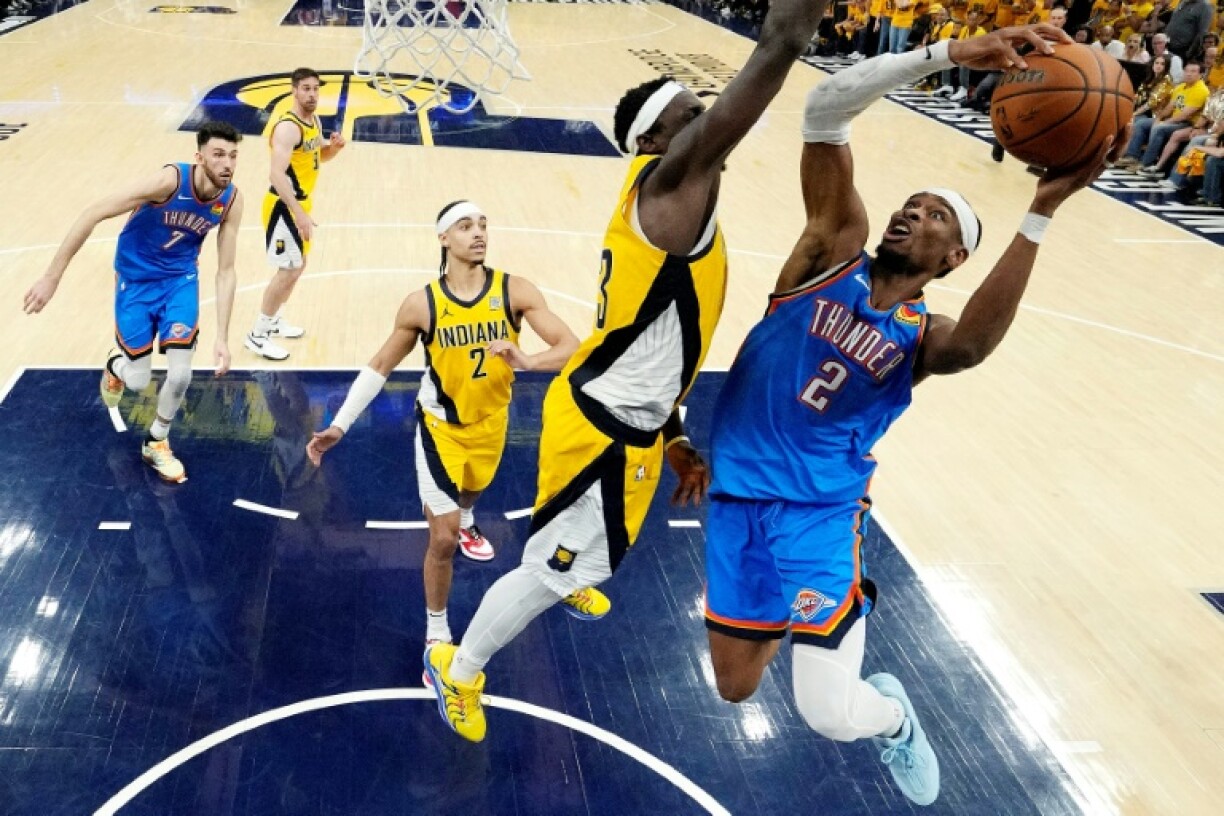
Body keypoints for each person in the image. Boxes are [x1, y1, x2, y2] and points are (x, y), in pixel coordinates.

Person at [702, 23, 1121, 807]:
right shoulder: (829, 251)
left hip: (819, 516)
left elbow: (973, 348)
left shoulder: (920, 339)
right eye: (910, 204)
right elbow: (825, 110)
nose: (910, 214)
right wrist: (945, 54)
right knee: (733, 687)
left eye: (934, 216)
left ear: (953, 258)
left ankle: (891, 717)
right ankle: (812, 627)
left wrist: (1039, 213)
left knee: (827, 714)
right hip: (734, 499)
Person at [422, 0, 833, 744]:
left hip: (629, 415)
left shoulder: (676, 206)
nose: (707, 118)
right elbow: (777, 47)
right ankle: (455, 669)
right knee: (548, 573)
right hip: (601, 426)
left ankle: (567, 564)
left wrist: (674, 433)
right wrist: (791, 29)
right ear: (653, 139)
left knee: (586, 559)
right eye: (691, 114)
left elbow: (661, 342)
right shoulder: (667, 188)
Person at [305, 200, 579, 657]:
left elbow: (571, 345)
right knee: (443, 536)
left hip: (492, 422)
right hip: (440, 429)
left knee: (472, 493)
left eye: (484, 225)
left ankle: (469, 518)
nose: (479, 233)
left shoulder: (515, 291)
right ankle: (437, 631)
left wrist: (529, 360)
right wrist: (339, 425)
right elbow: (380, 366)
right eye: (466, 225)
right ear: (443, 238)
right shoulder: (423, 304)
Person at [22, 123, 243, 483]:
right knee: (138, 380)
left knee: (181, 373)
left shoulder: (231, 200)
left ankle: (156, 441)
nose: (227, 164)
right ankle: (115, 366)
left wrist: (222, 336)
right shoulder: (167, 183)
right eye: (219, 155)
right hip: (135, 281)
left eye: (233, 156)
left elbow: (227, 271)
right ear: (199, 158)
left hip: (179, 281)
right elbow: (93, 212)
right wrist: (52, 276)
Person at [245, 67, 346, 361]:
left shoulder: (312, 120)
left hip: (300, 205)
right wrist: (298, 213)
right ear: (294, 90)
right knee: (288, 269)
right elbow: (276, 175)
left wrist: (334, 149)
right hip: (284, 206)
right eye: (306, 88)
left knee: (298, 266)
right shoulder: (288, 127)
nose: (312, 94)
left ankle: (274, 320)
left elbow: (317, 157)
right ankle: (257, 334)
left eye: (316, 88)